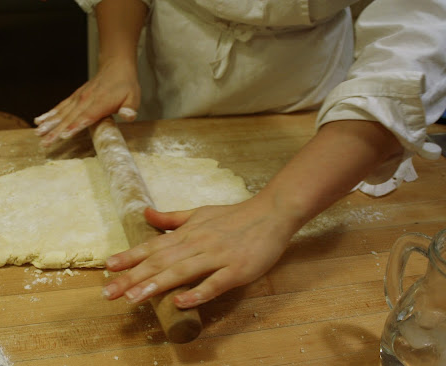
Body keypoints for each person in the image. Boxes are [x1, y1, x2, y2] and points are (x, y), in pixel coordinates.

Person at [34, 0, 446, 309]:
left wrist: (276, 210)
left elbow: (419, 36)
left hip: (304, 84)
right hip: (175, 54)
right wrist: (116, 59)